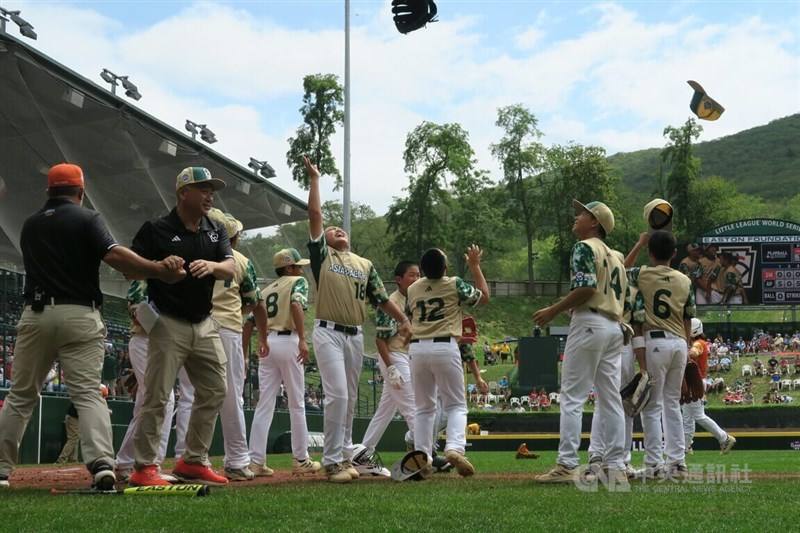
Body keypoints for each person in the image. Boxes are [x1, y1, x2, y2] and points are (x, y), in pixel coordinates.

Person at [0, 163, 184, 490]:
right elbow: (113, 256)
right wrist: (157, 269)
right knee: (87, 394)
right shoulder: (87, 218)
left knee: (20, 396)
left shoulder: (29, 225)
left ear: (48, 191)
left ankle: (1, 468)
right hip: (79, 314)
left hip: (36, 315)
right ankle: (101, 464)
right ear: (80, 192)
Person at [303, 156, 410, 483]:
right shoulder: (324, 256)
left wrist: (404, 320)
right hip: (328, 331)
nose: (337, 230)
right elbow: (315, 215)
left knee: (348, 398)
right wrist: (315, 180)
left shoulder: (363, 264)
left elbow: (380, 298)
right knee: (337, 394)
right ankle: (333, 460)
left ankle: (346, 454)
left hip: (352, 336)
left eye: (341, 228)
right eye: (332, 229)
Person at [128, 167, 236, 487]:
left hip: (204, 324)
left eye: (211, 189)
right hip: (168, 324)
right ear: (182, 193)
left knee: (217, 390)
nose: (210, 194)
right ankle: (144, 467)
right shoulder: (157, 229)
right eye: (202, 188)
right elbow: (130, 268)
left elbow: (230, 268)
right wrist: (159, 268)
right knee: (158, 396)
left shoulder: (215, 229)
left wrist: (214, 266)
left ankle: (192, 460)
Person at [533, 200, 629, 487]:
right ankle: (615, 465)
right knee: (611, 400)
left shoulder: (584, 247)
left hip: (590, 321)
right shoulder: (617, 256)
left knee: (572, 396)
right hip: (614, 327)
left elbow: (586, 288)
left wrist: (553, 310)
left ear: (595, 223)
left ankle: (566, 464)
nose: (577, 216)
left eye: (583, 213)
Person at [173, 209, 266, 482]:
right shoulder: (239, 260)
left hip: (191, 324)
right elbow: (254, 300)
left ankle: (186, 457)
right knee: (231, 394)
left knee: (190, 395)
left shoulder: (188, 252)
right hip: (225, 327)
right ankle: (237, 460)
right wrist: (242, 316)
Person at [406, 245, 490, 478]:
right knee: (456, 405)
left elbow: (408, 314)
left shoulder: (412, 288)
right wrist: (475, 266)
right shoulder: (453, 283)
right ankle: (454, 448)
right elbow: (484, 297)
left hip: (416, 347)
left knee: (423, 408)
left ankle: (422, 457)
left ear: (421, 270)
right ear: (445, 268)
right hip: (445, 345)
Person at [627, 230, 695, 479]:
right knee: (672, 404)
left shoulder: (641, 274)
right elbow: (689, 316)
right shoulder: (685, 280)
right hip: (679, 343)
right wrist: (687, 348)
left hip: (655, 341)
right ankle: (677, 463)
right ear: (675, 254)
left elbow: (621, 269)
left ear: (650, 252)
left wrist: (639, 242)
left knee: (651, 406)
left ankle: (654, 464)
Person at [248, 248, 322, 477]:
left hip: (267, 344)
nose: (302, 269)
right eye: (298, 265)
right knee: (297, 403)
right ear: (289, 268)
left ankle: (255, 461)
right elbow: (296, 305)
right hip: (288, 340)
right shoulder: (297, 281)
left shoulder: (267, 288)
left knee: (264, 405)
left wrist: (259, 341)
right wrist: (302, 338)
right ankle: (301, 458)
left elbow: (249, 321)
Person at [353, 261, 421, 477]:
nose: (417, 279)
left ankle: (364, 451)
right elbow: (380, 341)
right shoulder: (391, 302)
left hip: (406, 355)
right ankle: (424, 454)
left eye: (419, 275)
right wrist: (390, 368)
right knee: (411, 406)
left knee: (386, 410)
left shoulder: (414, 299)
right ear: (399, 279)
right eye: (412, 275)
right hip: (394, 356)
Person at [114, 280, 176, 483]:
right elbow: (136, 305)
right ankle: (151, 463)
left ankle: (126, 463)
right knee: (163, 400)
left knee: (145, 405)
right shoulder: (147, 273)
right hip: (147, 341)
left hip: (156, 343)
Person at [682, 318, 736, 455]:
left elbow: (693, 352)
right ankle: (686, 446)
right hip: (694, 381)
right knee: (688, 417)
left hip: (696, 382)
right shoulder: (698, 342)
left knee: (698, 415)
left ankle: (724, 438)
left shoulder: (698, 343)